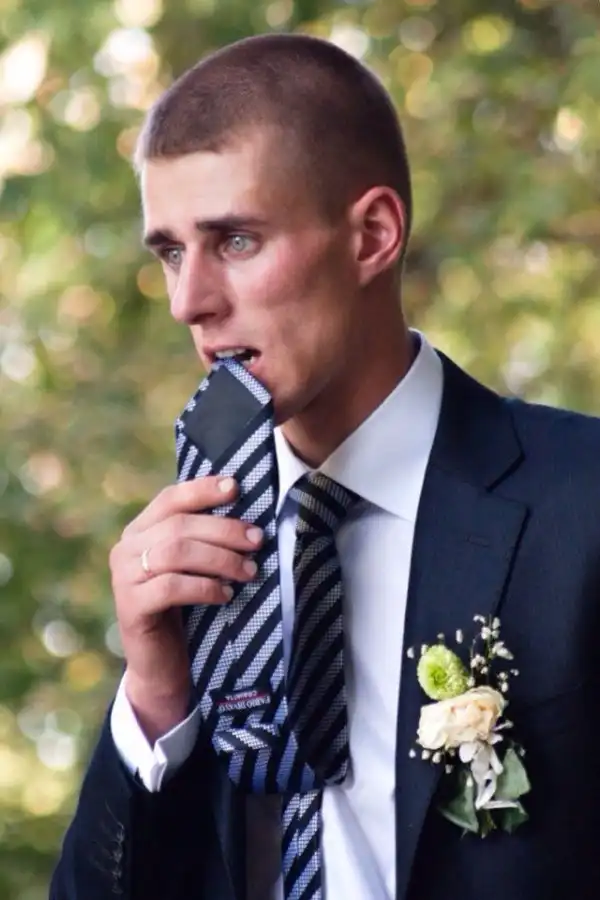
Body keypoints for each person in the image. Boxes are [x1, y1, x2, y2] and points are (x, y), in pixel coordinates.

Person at [50, 32, 600, 900]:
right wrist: (154, 696)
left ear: (373, 235)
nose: (189, 301)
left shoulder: (581, 500)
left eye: (234, 241)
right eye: (170, 252)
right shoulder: (190, 547)